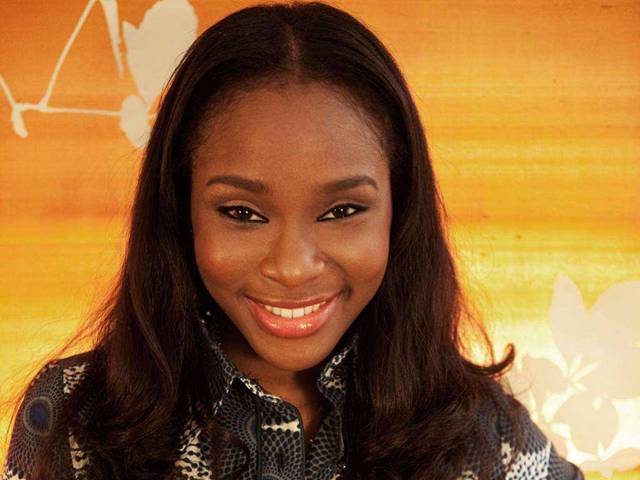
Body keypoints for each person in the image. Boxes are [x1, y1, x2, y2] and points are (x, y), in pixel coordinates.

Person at [1, 2, 585, 479]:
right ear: (181, 212)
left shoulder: (486, 436)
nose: (293, 267)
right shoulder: (74, 419)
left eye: (342, 211)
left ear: (399, 210)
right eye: (242, 213)